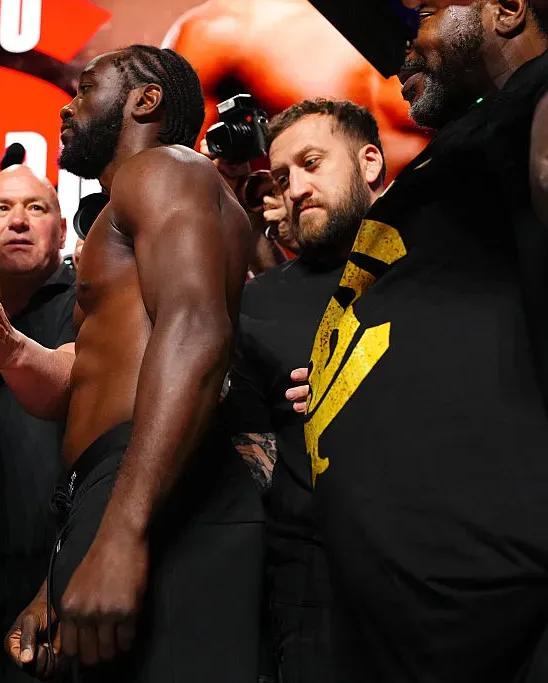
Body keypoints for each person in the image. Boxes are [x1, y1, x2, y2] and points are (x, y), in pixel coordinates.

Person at [0, 45, 263, 681]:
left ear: (144, 101)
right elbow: (89, 382)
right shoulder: (136, 203)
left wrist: (120, 536)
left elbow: (197, 330)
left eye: (87, 89)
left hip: (157, 481)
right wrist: (60, 574)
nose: (68, 105)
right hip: (119, 488)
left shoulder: (163, 170)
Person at [301, 2, 548, 681]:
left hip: (506, 628)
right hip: (411, 634)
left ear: (506, 10)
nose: (408, 40)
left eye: (431, 11)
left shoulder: (534, 97)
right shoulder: (466, 145)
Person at [223, 99, 388, 683]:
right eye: (285, 175)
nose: (295, 187)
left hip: (441, 565)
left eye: (313, 163)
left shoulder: (438, 271)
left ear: (369, 162)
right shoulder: (260, 305)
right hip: (313, 584)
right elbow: (249, 450)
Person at [0, 165, 76, 683]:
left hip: (61, 570)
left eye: (36, 207)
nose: (19, 221)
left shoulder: (91, 301)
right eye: (1, 208)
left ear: (63, 228)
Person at [162, 0, 430, 179]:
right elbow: (175, 175)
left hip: (449, 234)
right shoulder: (220, 30)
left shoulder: (444, 14)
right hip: (319, 251)